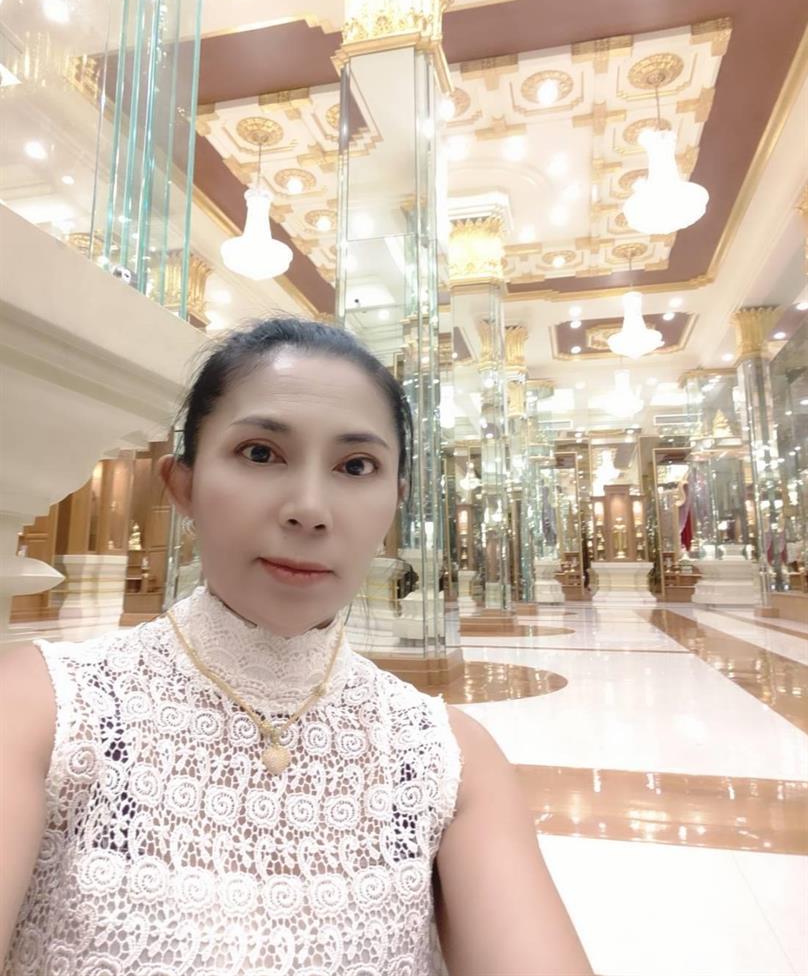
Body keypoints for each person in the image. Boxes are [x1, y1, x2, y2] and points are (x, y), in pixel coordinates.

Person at [0, 317, 592, 976]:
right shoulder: (42, 710)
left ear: (394, 503)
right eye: (260, 453)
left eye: (356, 466)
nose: (309, 508)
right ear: (183, 485)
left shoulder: (449, 760)